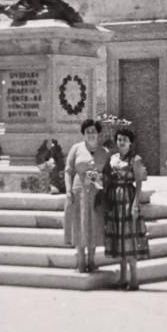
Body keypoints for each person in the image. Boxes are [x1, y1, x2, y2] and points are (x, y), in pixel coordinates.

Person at [102, 127, 149, 290]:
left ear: (130, 142)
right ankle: (122, 278)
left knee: (129, 238)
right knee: (119, 238)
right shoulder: (113, 158)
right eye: (119, 139)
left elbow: (139, 183)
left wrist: (136, 204)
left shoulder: (135, 159)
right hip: (115, 199)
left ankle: (134, 279)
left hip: (128, 198)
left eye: (124, 140)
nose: (121, 142)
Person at [64, 119, 108, 272]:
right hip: (79, 191)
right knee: (79, 224)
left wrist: (101, 179)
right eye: (88, 132)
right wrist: (68, 190)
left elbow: (109, 174)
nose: (91, 134)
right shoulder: (76, 148)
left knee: (94, 225)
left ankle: (92, 260)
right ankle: (81, 261)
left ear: (98, 133)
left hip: (96, 193)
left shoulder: (105, 152)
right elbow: (68, 171)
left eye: (93, 131)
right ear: (83, 134)